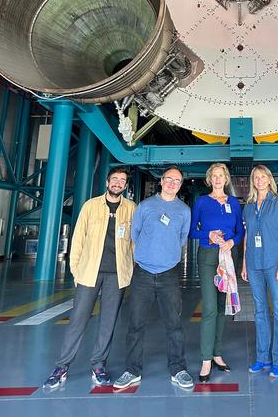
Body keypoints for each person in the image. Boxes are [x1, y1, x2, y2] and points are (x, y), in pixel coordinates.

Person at [43, 167, 136, 389]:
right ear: (107, 182)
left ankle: (98, 364)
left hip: (117, 275)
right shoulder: (91, 206)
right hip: (89, 272)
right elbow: (78, 239)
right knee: (78, 320)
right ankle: (62, 366)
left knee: (108, 322)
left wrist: (130, 269)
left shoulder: (131, 209)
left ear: (125, 186)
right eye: (114, 179)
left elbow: (134, 242)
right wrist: (76, 270)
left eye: (122, 181)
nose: (117, 183)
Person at [113, 166, 194, 391]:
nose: (172, 183)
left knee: (174, 325)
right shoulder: (146, 206)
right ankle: (132, 370)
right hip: (143, 274)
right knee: (135, 325)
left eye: (177, 181)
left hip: (169, 274)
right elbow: (135, 234)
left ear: (180, 185)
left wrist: (165, 255)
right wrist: (149, 254)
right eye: (169, 179)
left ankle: (178, 369)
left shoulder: (184, 211)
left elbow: (181, 238)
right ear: (161, 181)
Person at [189, 162, 245, 382]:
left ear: (226, 178)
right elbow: (193, 230)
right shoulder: (202, 202)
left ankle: (217, 353)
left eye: (221, 175)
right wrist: (208, 236)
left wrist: (232, 241)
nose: (218, 179)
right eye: (214, 176)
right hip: (208, 257)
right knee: (210, 307)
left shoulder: (233, 202)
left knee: (223, 307)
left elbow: (240, 230)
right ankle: (205, 359)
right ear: (209, 179)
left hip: (228, 256)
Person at [241, 165, 278, 378]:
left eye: (263, 177)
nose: (259, 180)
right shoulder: (249, 206)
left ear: (269, 179)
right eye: (256, 177)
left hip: (273, 262)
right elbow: (247, 237)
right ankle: (263, 357)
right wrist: (244, 264)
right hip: (253, 263)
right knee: (259, 311)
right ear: (253, 181)